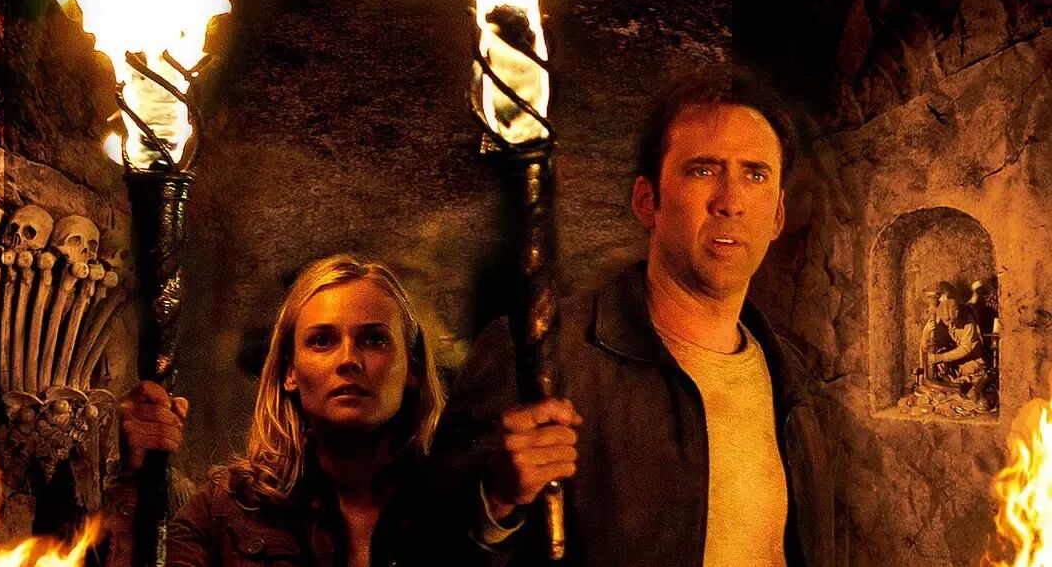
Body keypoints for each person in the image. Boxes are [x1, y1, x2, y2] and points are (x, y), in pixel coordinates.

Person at [433, 71, 835, 567]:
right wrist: (493, 502)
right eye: (702, 170)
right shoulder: (538, 354)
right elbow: (423, 547)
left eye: (755, 175)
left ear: (777, 216)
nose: (730, 201)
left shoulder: (793, 380)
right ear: (647, 201)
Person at [117, 254, 465, 567]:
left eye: (374, 339)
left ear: (413, 367)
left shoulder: (464, 506)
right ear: (290, 372)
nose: (348, 360)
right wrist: (135, 477)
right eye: (322, 340)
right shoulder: (227, 510)